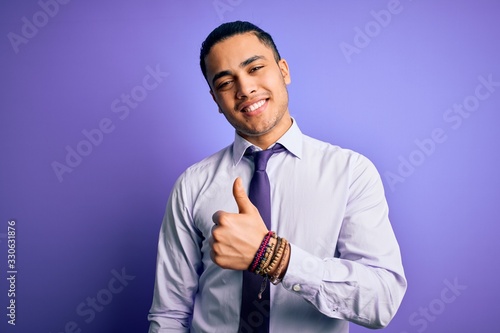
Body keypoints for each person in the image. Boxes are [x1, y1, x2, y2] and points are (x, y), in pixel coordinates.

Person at [148, 21, 407, 332]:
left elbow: (382, 301)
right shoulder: (192, 185)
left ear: (283, 70)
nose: (245, 89)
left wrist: (274, 257)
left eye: (255, 68)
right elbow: (169, 315)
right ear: (215, 100)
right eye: (226, 83)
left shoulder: (351, 172)